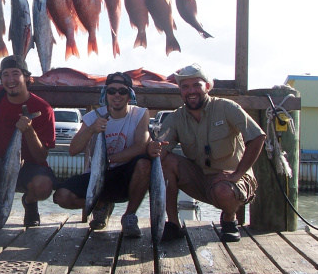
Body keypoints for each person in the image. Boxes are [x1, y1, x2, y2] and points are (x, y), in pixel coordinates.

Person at [156, 64, 265, 242]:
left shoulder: (227, 107)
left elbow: (258, 137)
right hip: (201, 178)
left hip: (232, 181)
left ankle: (230, 220)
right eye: (185, 87)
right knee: (165, 162)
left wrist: (237, 174)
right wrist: (151, 151)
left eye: (196, 85)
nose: (191, 91)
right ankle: (173, 224)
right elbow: (161, 149)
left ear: (207, 86)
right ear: (181, 92)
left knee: (223, 190)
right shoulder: (176, 117)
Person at [54, 72, 158, 236]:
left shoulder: (140, 114)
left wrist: (108, 160)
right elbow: (73, 150)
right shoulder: (92, 117)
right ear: (105, 94)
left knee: (144, 163)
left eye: (122, 91)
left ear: (129, 94)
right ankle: (101, 204)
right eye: (112, 91)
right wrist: (91, 129)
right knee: (61, 196)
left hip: (125, 176)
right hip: (96, 175)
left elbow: (141, 146)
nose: (117, 95)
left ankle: (129, 216)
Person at [0, 55, 57, 229]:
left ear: (27, 78)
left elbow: (41, 155)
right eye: (5, 75)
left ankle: (29, 203)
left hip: (31, 167)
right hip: (0, 162)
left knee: (44, 187)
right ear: (0, 79)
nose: (10, 80)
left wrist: (29, 131)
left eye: (16, 74)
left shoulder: (44, 109)